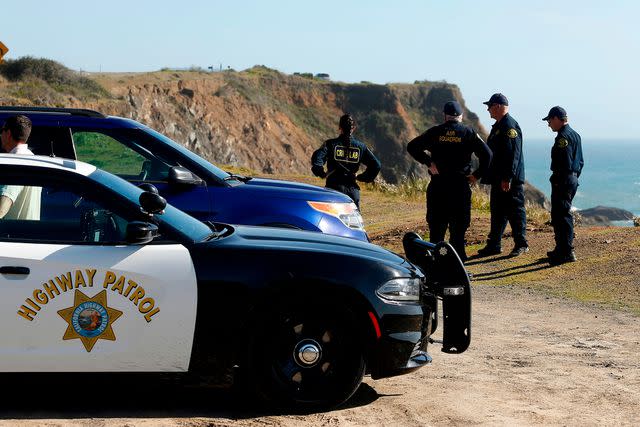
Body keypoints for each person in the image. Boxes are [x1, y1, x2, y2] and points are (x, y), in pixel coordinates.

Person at [407, 101, 492, 261]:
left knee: (436, 229)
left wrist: (428, 162)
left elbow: (412, 146)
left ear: (445, 116)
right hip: (460, 187)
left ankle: (436, 261)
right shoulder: (468, 132)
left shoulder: (435, 132)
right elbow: (488, 155)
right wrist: (476, 175)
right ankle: (458, 262)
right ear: (460, 116)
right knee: (458, 229)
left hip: (438, 186)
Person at [477, 93, 529, 257]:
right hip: (498, 178)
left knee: (515, 212)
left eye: (490, 106)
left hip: (509, 180)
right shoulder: (499, 125)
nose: (488, 110)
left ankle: (521, 244)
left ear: (498, 106)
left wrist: (508, 178)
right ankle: (494, 244)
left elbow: (513, 154)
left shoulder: (509, 126)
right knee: (498, 212)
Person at [311, 113, 381, 207]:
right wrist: (361, 177)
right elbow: (376, 165)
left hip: (333, 189)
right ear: (353, 128)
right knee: (353, 220)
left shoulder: (330, 144)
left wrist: (321, 173)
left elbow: (317, 158)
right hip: (352, 192)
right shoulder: (361, 147)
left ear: (340, 127)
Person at [543, 106, 583, 265]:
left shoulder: (563, 138)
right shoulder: (575, 135)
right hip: (571, 178)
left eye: (549, 121)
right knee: (560, 215)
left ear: (557, 118)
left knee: (562, 215)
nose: (549, 124)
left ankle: (567, 251)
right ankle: (561, 248)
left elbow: (564, 162)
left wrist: (560, 179)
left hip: (563, 179)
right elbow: (580, 161)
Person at [0, 115, 41, 220]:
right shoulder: (33, 158)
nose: (0, 135)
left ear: (8, 134)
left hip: (13, 233)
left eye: (2, 130)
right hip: (28, 232)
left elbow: (3, 204)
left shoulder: (15, 162)